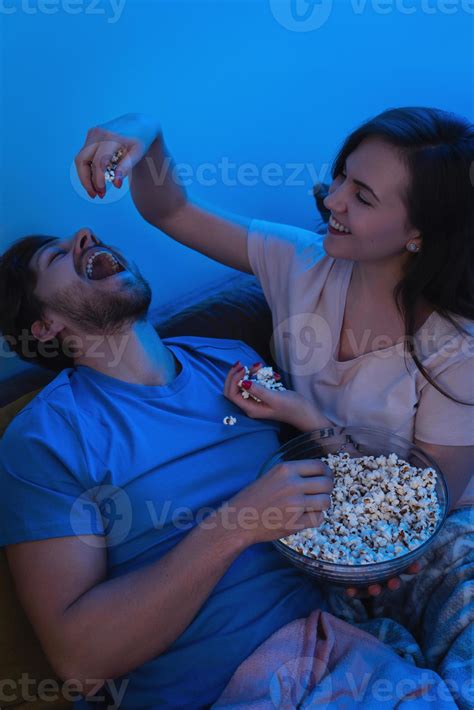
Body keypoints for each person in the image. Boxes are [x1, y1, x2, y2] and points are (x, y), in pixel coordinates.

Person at [73, 110, 473, 542]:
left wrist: (307, 417)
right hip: (334, 523)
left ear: (420, 232)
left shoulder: (456, 349)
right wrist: (145, 132)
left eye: (363, 197)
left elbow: (423, 507)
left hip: (442, 529)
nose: (333, 200)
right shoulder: (300, 260)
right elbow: (172, 210)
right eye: (342, 176)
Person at [0, 226, 335, 708]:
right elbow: (80, 662)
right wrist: (237, 525)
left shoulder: (232, 360)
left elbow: (344, 489)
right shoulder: (45, 438)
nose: (86, 236)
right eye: (56, 255)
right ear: (45, 327)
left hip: (339, 646)